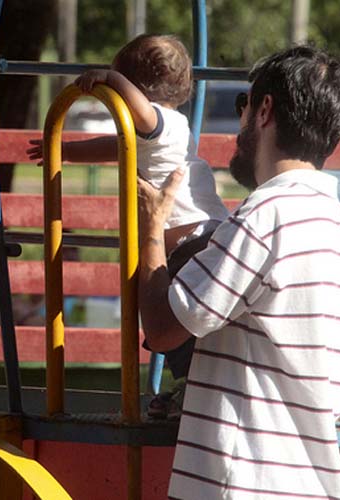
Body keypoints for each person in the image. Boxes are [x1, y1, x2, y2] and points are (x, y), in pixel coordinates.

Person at [137, 45, 340, 499]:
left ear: (264, 111)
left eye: (244, 104)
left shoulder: (264, 216)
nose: (239, 121)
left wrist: (151, 229)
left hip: (244, 483)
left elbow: (162, 329)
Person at [27, 34, 229, 416]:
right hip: (195, 238)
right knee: (187, 324)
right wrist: (68, 151)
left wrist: (110, 80)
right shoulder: (163, 129)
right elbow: (114, 145)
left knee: (180, 321)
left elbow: (139, 114)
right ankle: (192, 387)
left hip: (191, 242)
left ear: (137, 89)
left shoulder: (159, 121)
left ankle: (191, 388)